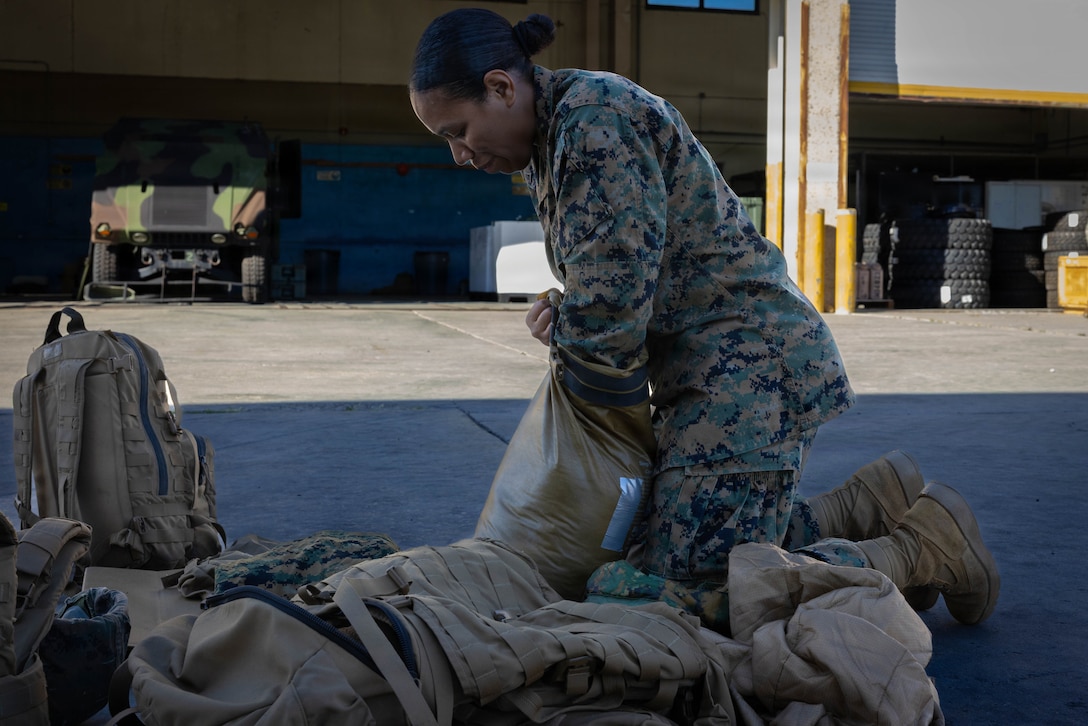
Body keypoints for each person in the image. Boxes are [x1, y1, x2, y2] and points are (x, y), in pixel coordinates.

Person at [409, 8, 999, 629]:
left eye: (458, 130)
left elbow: (611, 310)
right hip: (705, 373)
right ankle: (867, 501)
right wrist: (567, 308)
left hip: (744, 374)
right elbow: (617, 273)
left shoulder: (593, 123)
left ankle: (925, 545)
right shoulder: (555, 136)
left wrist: (582, 343)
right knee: (657, 549)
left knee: (689, 601)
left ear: (501, 88)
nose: (458, 154)